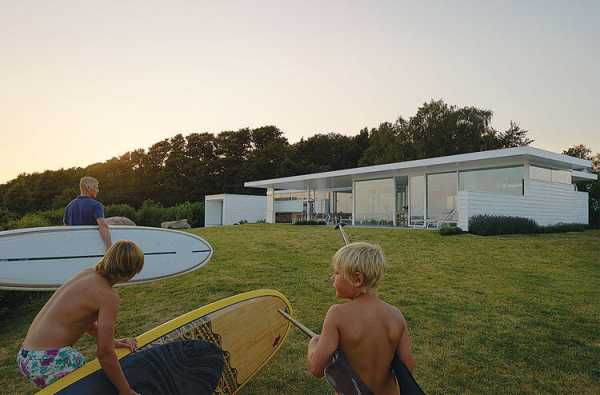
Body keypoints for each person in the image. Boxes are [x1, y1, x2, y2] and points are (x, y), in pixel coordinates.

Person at [17, 240, 144, 394]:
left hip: (27, 356)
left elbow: (86, 323)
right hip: (48, 361)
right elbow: (105, 354)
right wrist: (126, 390)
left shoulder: (87, 273)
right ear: (130, 273)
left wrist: (113, 342)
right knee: (99, 386)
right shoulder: (108, 296)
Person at [307, 242, 416, 395]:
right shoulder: (396, 315)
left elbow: (316, 369)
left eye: (337, 273)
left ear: (357, 279)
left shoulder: (337, 314)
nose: (332, 278)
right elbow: (407, 367)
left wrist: (314, 343)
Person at [64, 176, 112, 249]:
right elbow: (102, 226)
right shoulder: (96, 205)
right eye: (96, 187)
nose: (97, 190)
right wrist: (109, 247)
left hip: (74, 247)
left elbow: (66, 228)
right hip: (91, 247)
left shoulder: (69, 206)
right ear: (88, 188)